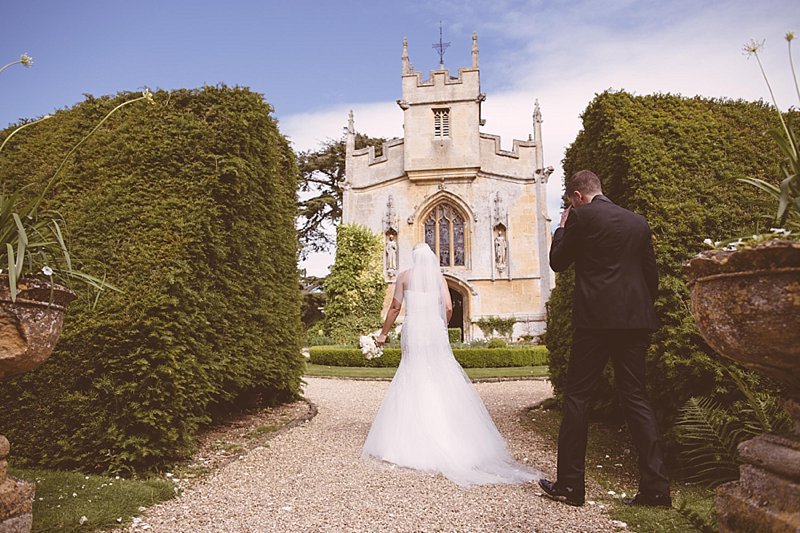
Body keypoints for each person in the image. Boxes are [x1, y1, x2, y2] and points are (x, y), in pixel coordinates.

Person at [539, 170, 670, 508]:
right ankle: (656, 489)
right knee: (636, 398)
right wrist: (636, 310)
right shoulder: (636, 221)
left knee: (578, 398)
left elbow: (558, 262)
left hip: (595, 322)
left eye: (570, 203)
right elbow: (650, 276)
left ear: (577, 196)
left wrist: (562, 227)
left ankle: (570, 485)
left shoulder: (580, 217)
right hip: (635, 321)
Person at [361, 242, 541, 487]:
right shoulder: (439, 279)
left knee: (413, 374)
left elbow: (395, 307)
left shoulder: (404, 277)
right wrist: (440, 325)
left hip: (414, 330)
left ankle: (411, 437)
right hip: (434, 329)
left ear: (414, 258)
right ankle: (449, 432)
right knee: (439, 375)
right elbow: (447, 307)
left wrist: (383, 334)